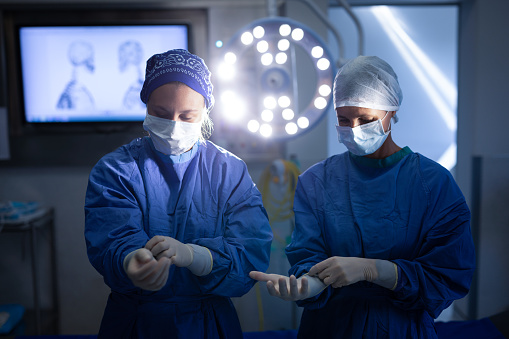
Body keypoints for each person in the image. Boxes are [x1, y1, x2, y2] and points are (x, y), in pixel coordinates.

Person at [250, 55, 475, 338]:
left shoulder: (432, 183)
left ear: (391, 112)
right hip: (329, 327)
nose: (354, 130)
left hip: (400, 328)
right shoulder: (317, 181)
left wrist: (376, 271)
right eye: (343, 120)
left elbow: (449, 274)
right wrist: (310, 283)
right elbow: (307, 253)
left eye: (366, 119)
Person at [85, 49, 273, 338]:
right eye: (161, 114)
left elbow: (250, 252)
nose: (173, 126)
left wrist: (196, 256)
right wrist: (131, 261)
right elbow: (111, 238)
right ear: (146, 108)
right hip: (136, 323)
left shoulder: (229, 172)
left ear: (205, 115)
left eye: (187, 116)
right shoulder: (117, 170)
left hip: (208, 323)